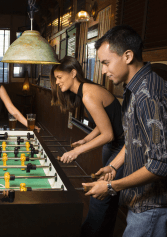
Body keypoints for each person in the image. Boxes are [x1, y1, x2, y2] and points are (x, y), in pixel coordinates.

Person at [83, 25, 167, 237]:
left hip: (156, 205)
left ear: (128, 56)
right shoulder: (138, 87)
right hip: (146, 203)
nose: (103, 71)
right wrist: (113, 166)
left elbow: (161, 165)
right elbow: (135, 137)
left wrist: (111, 187)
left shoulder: (147, 94)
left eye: (106, 63)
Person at [50, 56, 124, 237]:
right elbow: (104, 122)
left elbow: (108, 134)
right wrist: (85, 140)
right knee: (110, 198)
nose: (57, 82)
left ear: (73, 73)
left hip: (122, 147)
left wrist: (76, 151)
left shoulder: (89, 94)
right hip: (113, 146)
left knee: (100, 197)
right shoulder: (87, 91)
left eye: (59, 77)